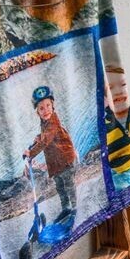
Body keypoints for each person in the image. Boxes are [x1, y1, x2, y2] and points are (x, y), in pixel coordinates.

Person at [26, 85, 77, 220]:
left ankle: (75, 207)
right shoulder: (44, 122)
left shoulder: (53, 120)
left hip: (66, 160)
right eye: (41, 108)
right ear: (37, 112)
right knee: (60, 187)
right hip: (56, 163)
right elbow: (45, 136)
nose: (46, 110)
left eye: (48, 105)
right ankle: (66, 208)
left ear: (53, 105)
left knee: (69, 185)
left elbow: (46, 141)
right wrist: (38, 138)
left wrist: (31, 153)